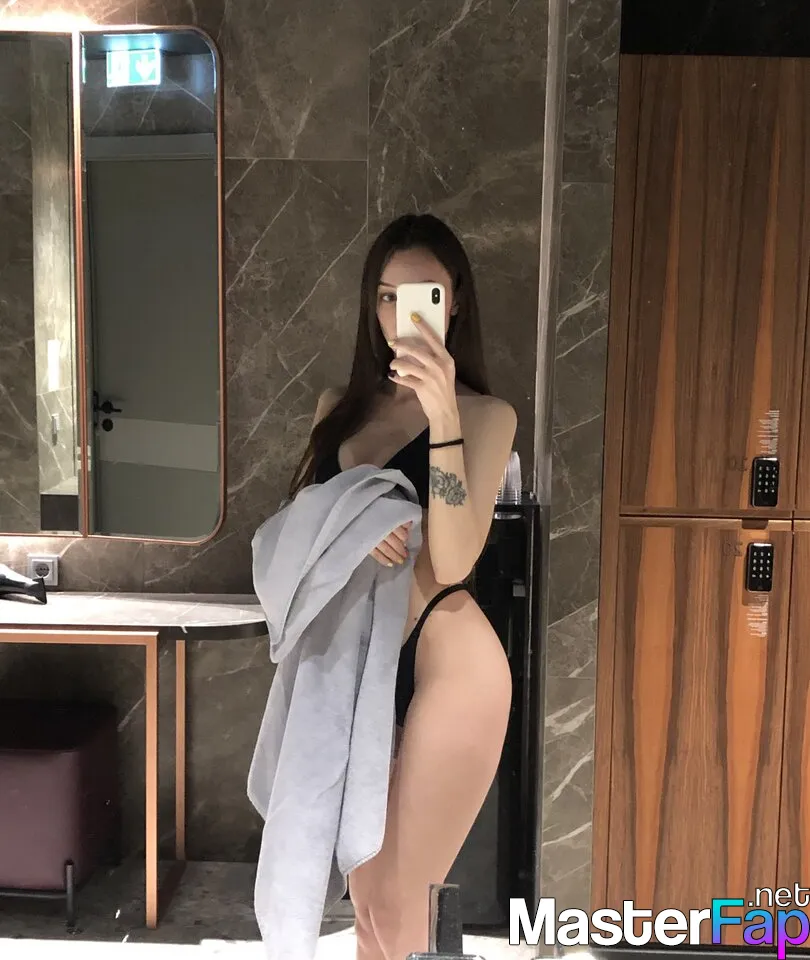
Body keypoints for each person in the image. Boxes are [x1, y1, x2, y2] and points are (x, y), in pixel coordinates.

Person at [287, 213, 517, 960]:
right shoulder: (338, 411)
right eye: (386, 296)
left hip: (447, 659)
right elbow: (298, 537)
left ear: (456, 302)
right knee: (366, 908)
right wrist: (352, 530)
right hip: (355, 666)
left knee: (398, 908)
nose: (400, 315)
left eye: (423, 296)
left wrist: (443, 411)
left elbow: (450, 559)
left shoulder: (486, 416)